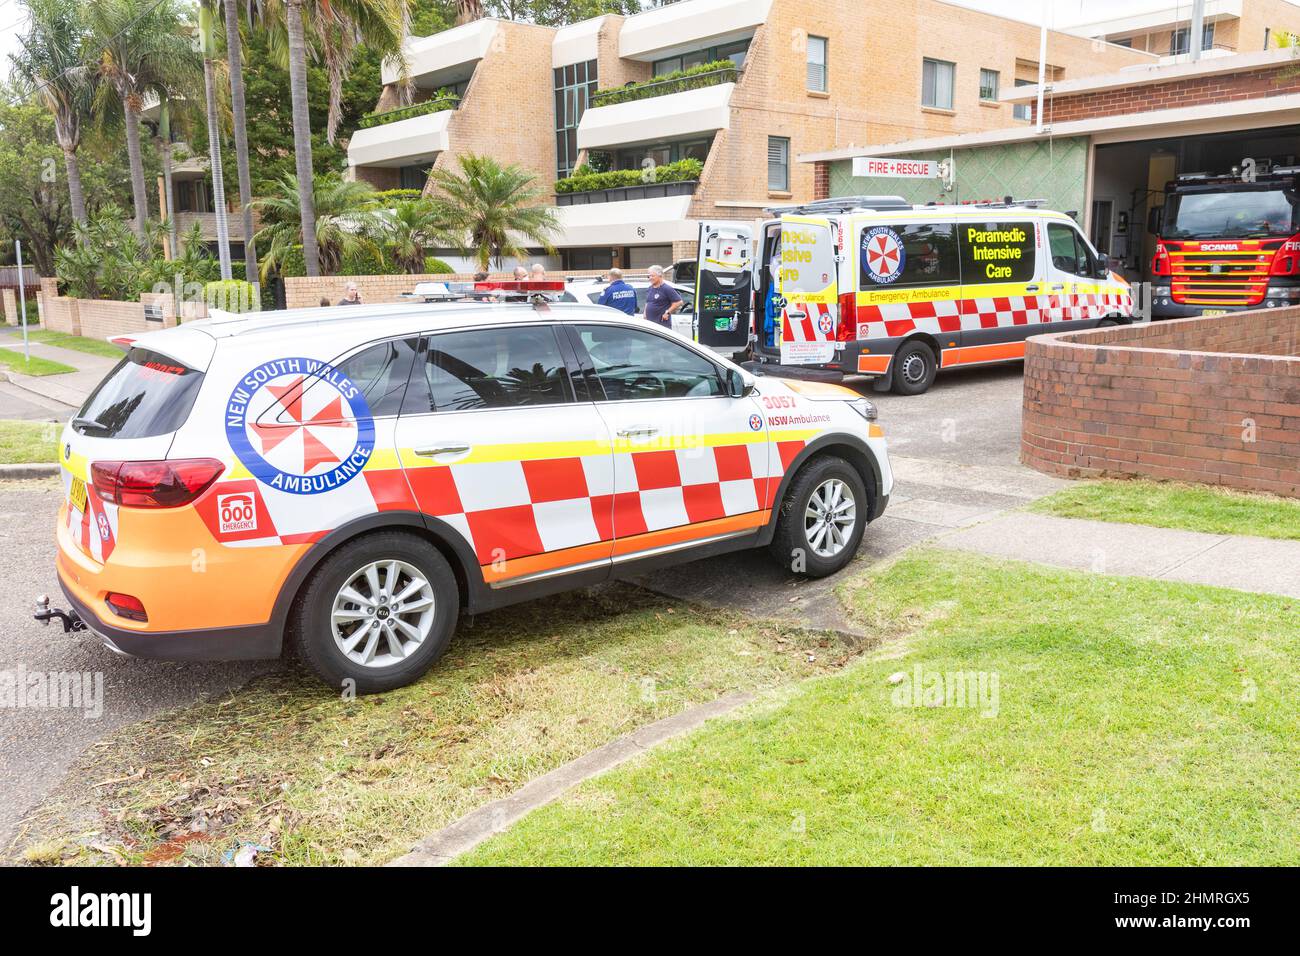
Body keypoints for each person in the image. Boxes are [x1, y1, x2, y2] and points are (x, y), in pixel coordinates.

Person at [643, 264, 683, 329]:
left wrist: (667, 312)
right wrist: (645, 313)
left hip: (662, 325)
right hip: (650, 324)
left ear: (660, 275)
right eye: (649, 276)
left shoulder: (667, 288)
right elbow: (648, 302)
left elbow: (679, 302)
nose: (650, 278)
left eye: (652, 276)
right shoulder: (650, 288)